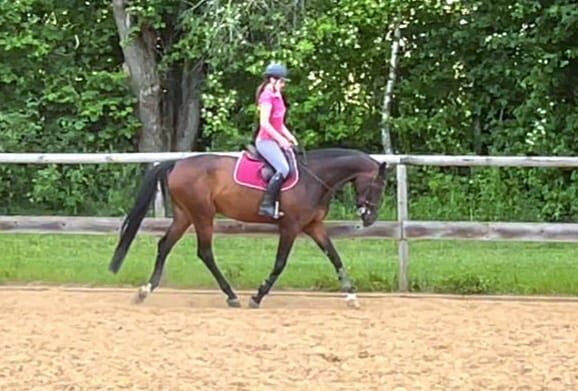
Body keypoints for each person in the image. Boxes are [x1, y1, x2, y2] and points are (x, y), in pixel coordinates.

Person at [254, 62, 298, 219]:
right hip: (265, 141)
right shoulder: (266, 97)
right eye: (282, 81)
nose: (284, 84)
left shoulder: (277, 95)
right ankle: (267, 205)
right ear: (272, 80)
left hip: (275, 139)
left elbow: (279, 123)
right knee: (283, 169)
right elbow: (265, 123)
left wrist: (290, 137)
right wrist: (281, 140)